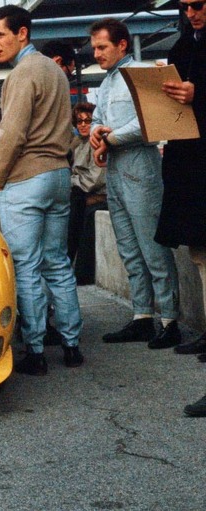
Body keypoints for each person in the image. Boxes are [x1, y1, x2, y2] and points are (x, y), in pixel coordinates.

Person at [0, 5, 83, 375]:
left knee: (26, 264)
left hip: (26, 177)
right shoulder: (55, 71)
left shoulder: (21, 74)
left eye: (0, 35)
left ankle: (36, 351)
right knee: (57, 262)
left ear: (22, 33)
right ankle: (72, 346)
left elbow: (11, 133)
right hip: (58, 174)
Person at [89, 18, 182, 349]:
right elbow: (97, 118)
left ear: (122, 45)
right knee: (128, 248)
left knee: (152, 246)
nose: (96, 53)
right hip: (116, 169)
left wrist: (109, 138)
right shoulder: (107, 82)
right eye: (94, 48)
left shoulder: (144, 74)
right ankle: (142, 315)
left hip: (141, 165)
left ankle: (169, 320)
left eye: (102, 47)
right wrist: (95, 133)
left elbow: (151, 120)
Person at [148, 1, 206, 416]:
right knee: (199, 252)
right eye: (184, 6)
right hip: (191, 165)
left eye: (197, 4)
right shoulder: (185, 44)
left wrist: (198, 95)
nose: (191, 13)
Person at [68, 102, 107, 284]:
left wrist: (72, 181)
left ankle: (81, 272)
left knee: (78, 209)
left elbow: (94, 180)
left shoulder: (97, 143)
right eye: (79, 121)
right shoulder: (77, 144)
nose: (83, 125)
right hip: (82, 193)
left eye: (88, 121)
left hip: (98, 194)